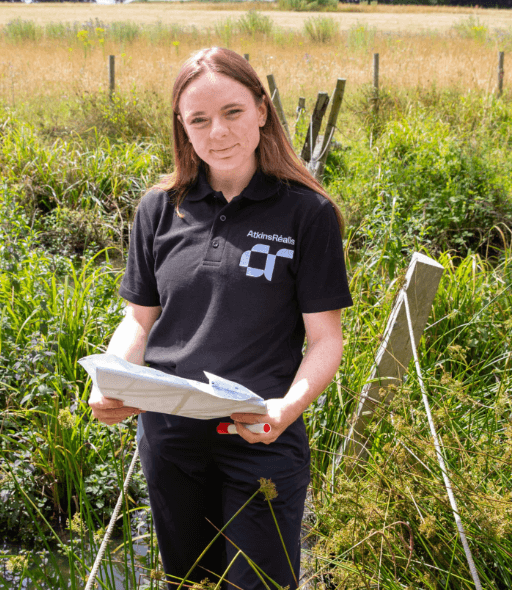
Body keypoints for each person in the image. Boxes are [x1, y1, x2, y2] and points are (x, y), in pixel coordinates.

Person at [89, 47, 353, 590]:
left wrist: (286, 408)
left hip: (260, 435)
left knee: (260, 582)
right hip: (169, 441)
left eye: (233, 112)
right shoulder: (160, 208)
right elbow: (139, 321)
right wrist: (113, 378)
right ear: (183, 128)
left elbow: (325, 340)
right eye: (199, 120)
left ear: (261, 109)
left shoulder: (308, 213)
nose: (219, 133)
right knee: (187, 582)